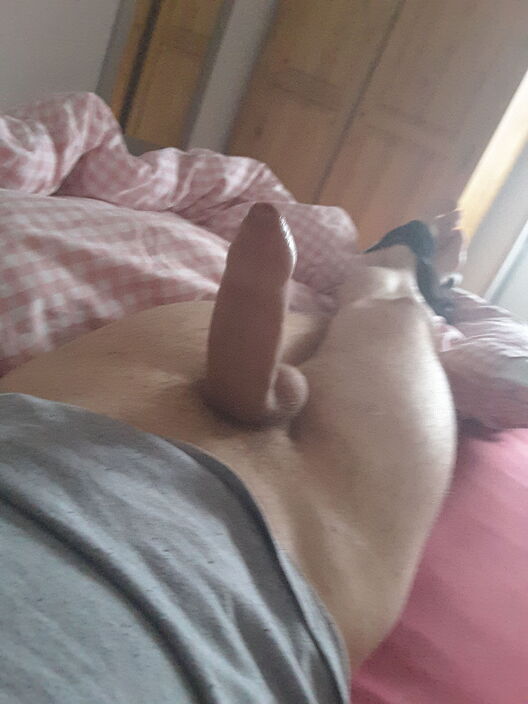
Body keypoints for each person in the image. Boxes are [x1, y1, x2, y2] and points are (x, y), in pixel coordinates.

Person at [0, 204, 456, 703]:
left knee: (384, 312)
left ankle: (404, 259)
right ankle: (405, 264)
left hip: (51, 444)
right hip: (285, 589)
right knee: (394, 308)